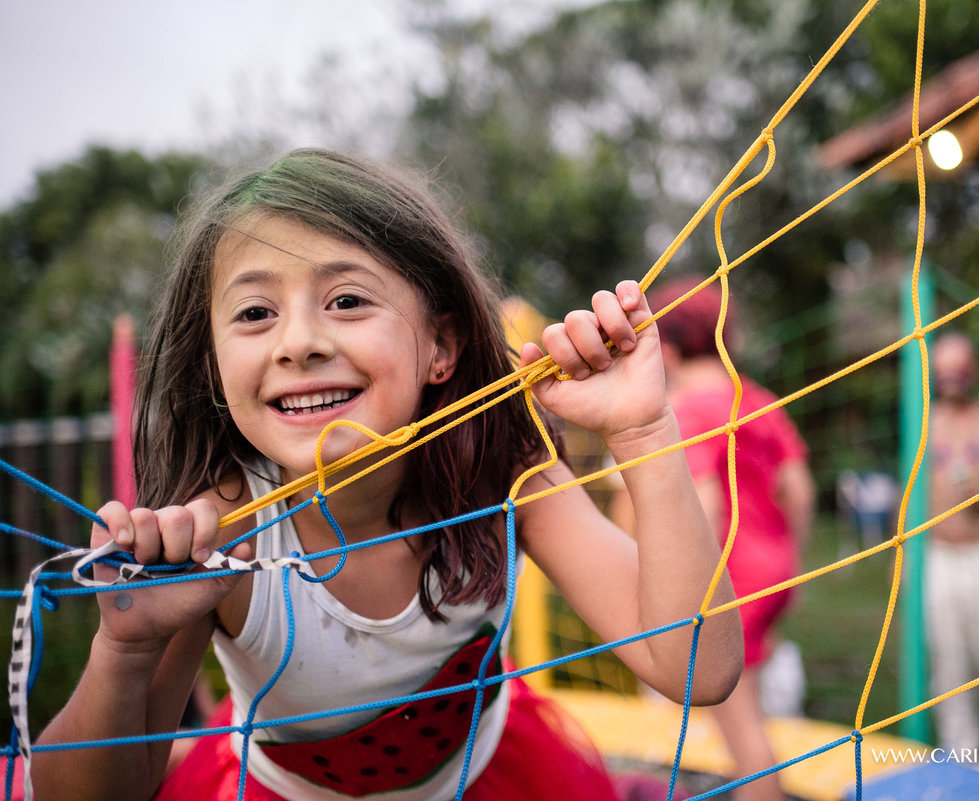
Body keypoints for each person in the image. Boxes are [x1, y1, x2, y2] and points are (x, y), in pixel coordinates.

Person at [26, 149, 742, 801]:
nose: (300, 342)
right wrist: (127, 648)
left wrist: (642, 429)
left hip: (496, 773)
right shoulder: (221, 531)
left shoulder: (505, 475)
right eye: (254, 312)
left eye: (347, 300)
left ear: (443, 344)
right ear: (213, 364)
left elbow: (698, 670)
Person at [646, 277, 815, 801]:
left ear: (666, 350)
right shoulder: (758, 401)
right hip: (773, 575)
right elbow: (800, 489)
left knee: (744, 741)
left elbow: (707, 505)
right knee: (741, 712)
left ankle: (759, 790)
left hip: (728, 587)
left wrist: (696, 593)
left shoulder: (686, 409)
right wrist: (795, 563)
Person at [925, 331, 979, 752]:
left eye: (959, 367)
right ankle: (959, 753)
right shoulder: (925, 419)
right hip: (937, 555)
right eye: (944, 368)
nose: (951, 376)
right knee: (946, 660)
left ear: (975, 370)